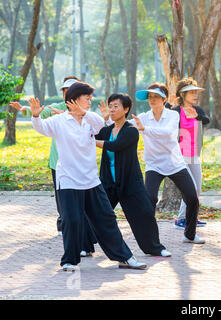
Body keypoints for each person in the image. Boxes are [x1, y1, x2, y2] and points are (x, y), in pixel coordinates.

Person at [30, 81, 147, 271]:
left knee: (107, 218)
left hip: (91, 180)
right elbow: (41, 127)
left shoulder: (90, 120)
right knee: (72, 220)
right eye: (87, 98)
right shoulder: (60, 121)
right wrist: (35, 115)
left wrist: (83, 113)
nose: (90, 101)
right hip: (68, 180)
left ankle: (125, 257)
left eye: (90, 98)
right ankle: (69, 260)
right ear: (74, 100)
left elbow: (101, 123)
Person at [10, 76, 97, 257]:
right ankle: (66, 230)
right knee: (65, 205)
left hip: (83, 170)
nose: (68, 94)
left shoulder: (87, 113)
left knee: (86, 208)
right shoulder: (56, 108)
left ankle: (85, 242)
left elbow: (99, 124)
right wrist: (27, 111)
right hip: (59, 164)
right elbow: (40, 117)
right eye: (66, 91)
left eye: (71, 90)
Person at [95, 93, 171, 257]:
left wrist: (92, 142)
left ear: (126, 109)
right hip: (108, 183)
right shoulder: (107, 130)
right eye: (110, 106)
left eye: (116, 106)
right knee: (95, 214)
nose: (112, 109)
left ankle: (155, 247)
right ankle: (84, 245)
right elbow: (90, 134)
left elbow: (114, 146)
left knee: (144, 214)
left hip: (130, 184)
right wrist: (102, 120)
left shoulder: (131, 130)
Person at [134, 83, 205, 244]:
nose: (152, 100)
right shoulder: (144, 117)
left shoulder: (173, 115)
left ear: (164, 99)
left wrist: (145, 129)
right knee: (150, 199)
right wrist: (108, 119)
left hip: (175, 163)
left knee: (192, 198)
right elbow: (125, 126)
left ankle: (190, 235)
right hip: (154, 165)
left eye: (156, 97)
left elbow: (168, 133)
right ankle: (149, 239)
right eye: (150, 97)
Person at [171, 77, 210, 230]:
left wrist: (197, 117)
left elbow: (206, 120)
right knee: (190, 188)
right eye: (191, 93)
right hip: (179, 155)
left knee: (197, 188)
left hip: (194, 154)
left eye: (195, 92)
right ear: (182, 95)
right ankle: (182, 219)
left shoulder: (198, 110)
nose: (195, 95)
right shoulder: (175, 111)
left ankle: (191, 218)